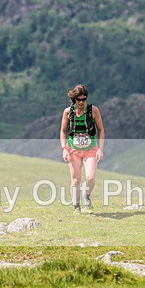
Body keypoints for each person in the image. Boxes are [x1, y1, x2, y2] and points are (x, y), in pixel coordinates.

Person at [60, 84, 105, 214]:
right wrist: (64, 149)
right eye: (78, 99)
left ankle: (86, 196)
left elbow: (101, 130)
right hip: (73, 149)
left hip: (90, 149)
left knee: (90, 177)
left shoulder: (94, 111)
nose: (81, 102)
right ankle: (76, 207)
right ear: (74, 99)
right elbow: (63, 131)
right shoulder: (67, 112)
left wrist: (100, 149)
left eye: (83, 99)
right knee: (76, 179)